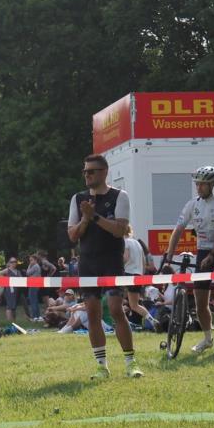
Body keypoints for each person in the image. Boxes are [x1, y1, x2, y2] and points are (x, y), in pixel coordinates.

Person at [67, 154, 142, 379]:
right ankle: (102, 365)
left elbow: (121, 230)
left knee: (117, 310)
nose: (87, 175)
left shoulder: (119, 196)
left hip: (111, 260)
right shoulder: (78, 198)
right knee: (92, 313)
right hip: (88, 261)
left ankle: (131, 362)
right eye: (85, 172)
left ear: (103, 172)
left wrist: (95, 216)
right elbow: (72, 235)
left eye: (91, 171)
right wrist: (85, 219)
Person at [163, 165, 214, 354]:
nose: (199, 188)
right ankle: (207, 339)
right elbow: (178, 230)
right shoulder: (192, 205)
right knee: (200, 301)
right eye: (197, 184)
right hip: (203, 251)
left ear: (212, 184)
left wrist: (213, 256)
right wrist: (169, 255)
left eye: (202, 184)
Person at [123, 225, 155, 330]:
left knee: (114, 298)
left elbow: (125, 258)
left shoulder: (125, 242)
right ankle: (152, 320)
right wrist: (141, 274)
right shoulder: (137, 243)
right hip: (138, 275)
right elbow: (143, 261)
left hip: (127, 274)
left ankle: (123, 325)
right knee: (134, 305)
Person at [0, 257, 22, 323]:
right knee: (9, 306)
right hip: (9, 289)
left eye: (15, 262)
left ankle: (14, 322)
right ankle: (9, 322)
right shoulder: (7, 270)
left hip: (17, 290)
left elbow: (21, 280)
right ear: (9, 263)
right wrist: (6, 279)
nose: (13, 263)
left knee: (14, 307)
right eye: (12, 262)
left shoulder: (18, 271)